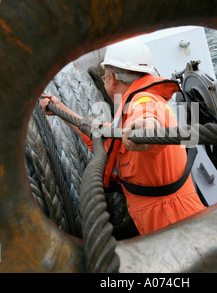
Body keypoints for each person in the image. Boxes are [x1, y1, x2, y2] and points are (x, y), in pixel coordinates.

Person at [40, 39, 205, 235]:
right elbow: (102, 136)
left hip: (173, 223)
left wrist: (145, 128)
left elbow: (148, 117)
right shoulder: (133, 107)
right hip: (168, 220)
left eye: (104, 78)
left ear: (112, 78)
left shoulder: (144, 100)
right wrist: (60, 109)